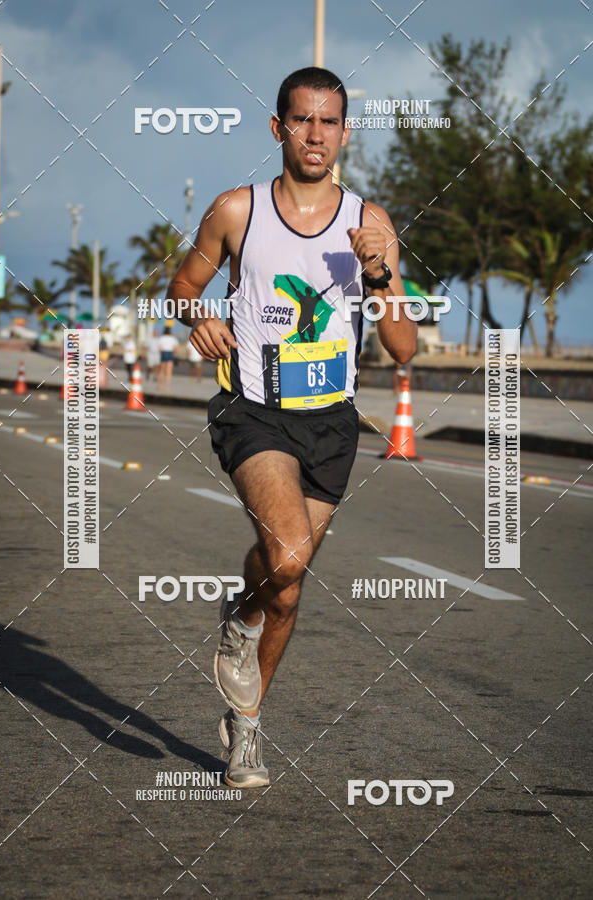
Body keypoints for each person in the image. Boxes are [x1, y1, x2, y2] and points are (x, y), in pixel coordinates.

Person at [169, 67, 417, 788]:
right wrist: (200, 314)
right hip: (253, 410)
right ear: (278, 128)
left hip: (332, 422)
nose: (316, 135)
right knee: (287, 556)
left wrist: (378, 273)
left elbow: (402, 348)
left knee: (289, 582)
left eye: (330, 122)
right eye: (302, 120)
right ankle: (243, 622)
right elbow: (184, 285)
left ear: (345, 132)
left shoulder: (370, 223)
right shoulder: (235, 211)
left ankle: (244, 730)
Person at [157, 327, 178, 392]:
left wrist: (161, 354)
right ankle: (167, 387)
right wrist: (173, 353)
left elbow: (159, 348)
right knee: (169, 372)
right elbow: (176, 348)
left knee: (162, 371)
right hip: (170, 353)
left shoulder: (161, 338)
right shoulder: (173, 338)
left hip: (164, 353)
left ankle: (160, 386)